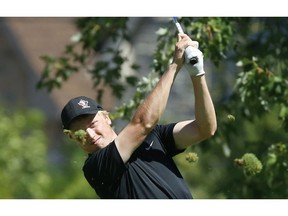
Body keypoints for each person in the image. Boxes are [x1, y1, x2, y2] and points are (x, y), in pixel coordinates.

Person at [61, 33, 217, 199]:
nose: (90, 135)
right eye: (80, 132)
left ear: (107, 117)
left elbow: (205, 128)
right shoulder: (95, 167)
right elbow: (143, 123)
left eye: (92, 125)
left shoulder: (153, 136)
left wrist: (197, 73)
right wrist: (174, 66)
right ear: (72, 137)